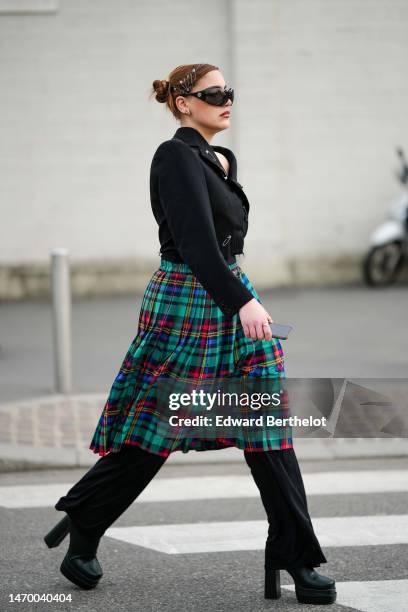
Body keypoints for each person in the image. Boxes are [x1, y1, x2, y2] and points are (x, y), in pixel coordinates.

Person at [44, 63, 336, 605]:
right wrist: (242, 300)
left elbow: (225, 245)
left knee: (266, 425)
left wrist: (240, 296)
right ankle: (86, 518)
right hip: (189, 299)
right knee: (161, 423)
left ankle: (296, 552)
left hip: (229, 293)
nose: (227, 100)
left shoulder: (219, 158)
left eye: (230, 92)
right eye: (214, 93)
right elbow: (196, 241)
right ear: (182, 102)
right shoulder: (174, 155)